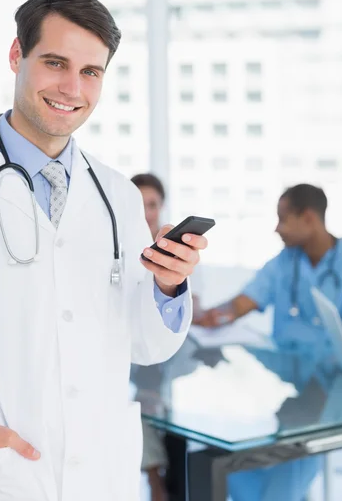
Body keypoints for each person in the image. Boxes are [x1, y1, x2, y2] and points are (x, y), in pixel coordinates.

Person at [0, 0, 209, 501]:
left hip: (102, 473)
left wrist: (167, 285)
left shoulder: (118, 194)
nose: (72, 87)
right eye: (55, 63)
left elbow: (146, 344)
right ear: (16, 56)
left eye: (91, 71)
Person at [196, 183, 342, 501]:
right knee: (225, 458)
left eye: (283, 219)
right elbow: (245, 301)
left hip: (332, 391)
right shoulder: (287, 260)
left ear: (309, 218)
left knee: (274, 479)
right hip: (285, 387)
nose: (276, 229)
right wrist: (213, 316)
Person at [131, 173, 203, 501]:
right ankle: (156, 483)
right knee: (142, 408)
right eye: (139, 203)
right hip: (135, 360)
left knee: (175, 417)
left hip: (176, 358)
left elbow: (193, 303)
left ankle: (170, 485)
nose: (146, 212)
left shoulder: (179, 250)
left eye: (152, 204)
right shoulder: (119, 244)